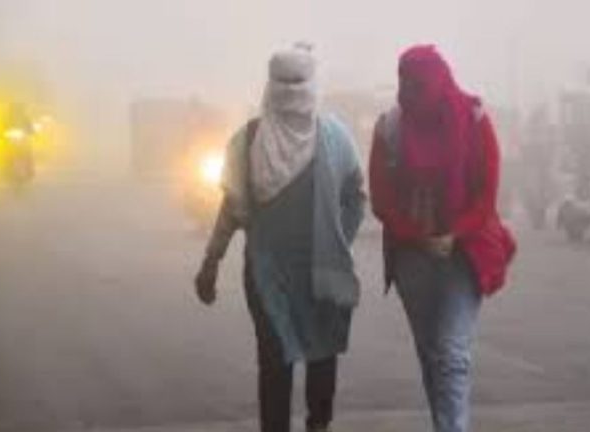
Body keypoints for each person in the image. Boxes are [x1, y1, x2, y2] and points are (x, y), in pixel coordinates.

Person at [193, 45, 365, 432]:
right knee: (316, 355)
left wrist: (211, 262)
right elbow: (357, 197)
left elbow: (231, 210)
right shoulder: (335, 136)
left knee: (277, 363)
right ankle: (317, 424)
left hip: (270, 274)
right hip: (297, 274)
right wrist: (339, 240)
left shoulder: (249, 140)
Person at [369, 45, 515, 432]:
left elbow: (486, 194)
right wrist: (417, 236)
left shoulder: (474, 119)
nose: (412, 93)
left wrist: (456, 233)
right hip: (412, 256)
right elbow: (382, 200)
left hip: (464, 253)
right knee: (431, 354)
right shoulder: (390, 127)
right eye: (406, 83)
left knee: (452, 354)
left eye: (420, 84)